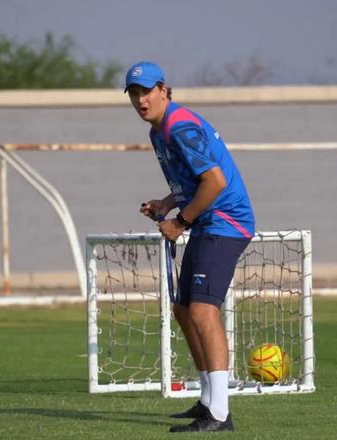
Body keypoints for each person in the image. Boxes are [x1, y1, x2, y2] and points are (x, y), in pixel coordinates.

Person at [124, 61, 255, 433]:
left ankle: (220, 414)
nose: (141, 100)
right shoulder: (158, 132)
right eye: (134, 94)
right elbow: (194, 180)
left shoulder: (179, 126)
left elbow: (213, 182)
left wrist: (180, 223)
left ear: (165, 90)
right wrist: (167, 205)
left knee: (202, 312)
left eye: (147, 91)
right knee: (184, 310)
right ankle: (208, 401)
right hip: (207, 221)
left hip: (225, 222)